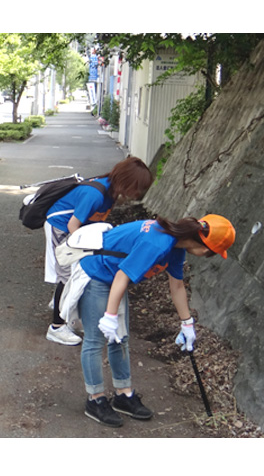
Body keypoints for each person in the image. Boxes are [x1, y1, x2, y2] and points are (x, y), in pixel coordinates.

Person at [60, 214, 235, 427]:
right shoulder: (157, 243)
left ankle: (124, 395)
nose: (208, 256)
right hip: (97, 273)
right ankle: (95, 400)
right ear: (207, 248)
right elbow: (122, 276)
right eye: (212, 253)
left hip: (115, 277)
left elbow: (177, 285)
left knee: (120, 338)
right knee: (96, 340)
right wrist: (110, 316)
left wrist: (187, 322)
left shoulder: (176, 246)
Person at [44, 156, 153, 346]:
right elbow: (73, 225)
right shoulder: (95, 195)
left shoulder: (111, 193)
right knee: (69, 275)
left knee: (78, 271)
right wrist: (85, 249)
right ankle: (56, 326)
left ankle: (66, 309)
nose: (137, 194)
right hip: (60, 226)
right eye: (137, 188)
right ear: (127, 182)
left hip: (75, 228)